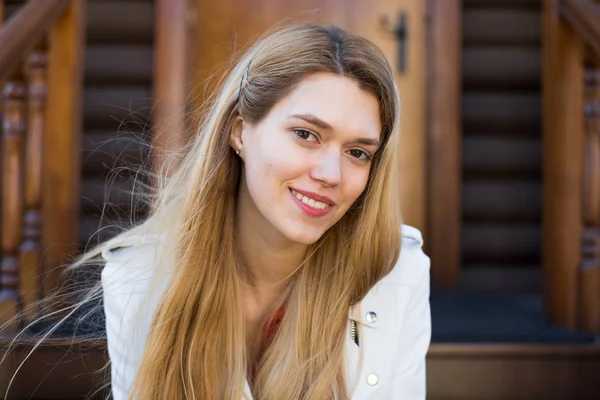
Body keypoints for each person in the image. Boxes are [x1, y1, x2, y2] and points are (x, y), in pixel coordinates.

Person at [72, 22, 430, 400]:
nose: (330, 175)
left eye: (357, 153)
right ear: (240, 131)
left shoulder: (397, 274)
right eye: (306, 134)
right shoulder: (139, 279)